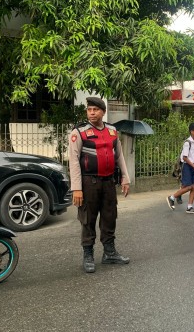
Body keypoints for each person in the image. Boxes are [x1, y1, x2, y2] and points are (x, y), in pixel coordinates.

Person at [69, 97, 130, 273]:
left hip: (109, 181)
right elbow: (73, 161)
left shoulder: (112, 131)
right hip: (89, 183)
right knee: (88, 218)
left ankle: (109, 253)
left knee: (110, 216)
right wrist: (77, 188)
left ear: (103, 112)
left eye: (95, 110)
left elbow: (119, 156)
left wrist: (125, 178)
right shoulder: (79, 132)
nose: (92, 113)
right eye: (89, 110)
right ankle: (88, 254)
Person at [167, 123, 194, 214]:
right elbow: (185, 157)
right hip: (187, 166)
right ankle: (172, 197)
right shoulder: (187, 143)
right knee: (188, 186)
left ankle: (189, 207)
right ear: (192, 131)